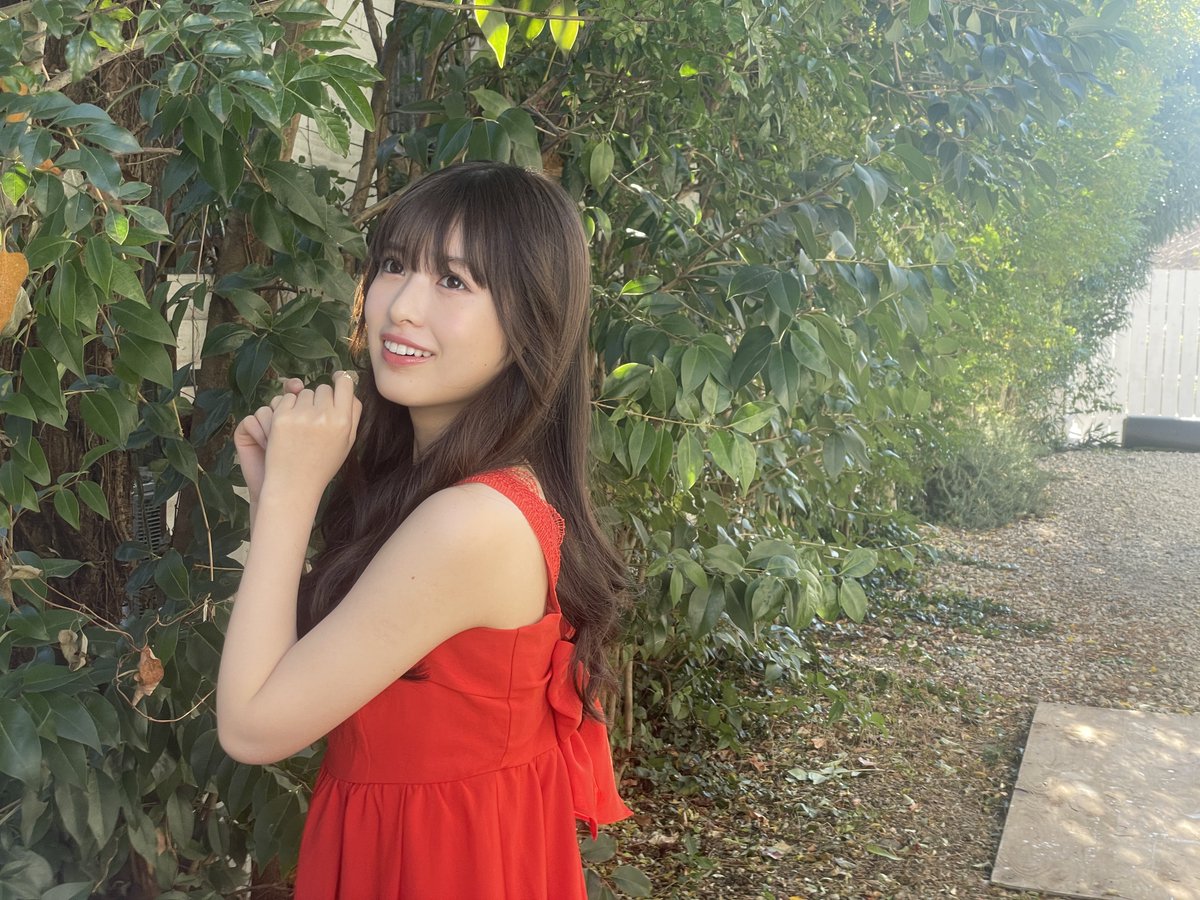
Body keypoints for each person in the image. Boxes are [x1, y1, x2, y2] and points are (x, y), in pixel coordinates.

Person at [217, 161, 632, 899]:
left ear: (531, 322)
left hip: (435, 864)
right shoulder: (452, 491)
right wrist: (275, 499)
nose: (402, 306)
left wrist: (289, 500)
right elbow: (311, 676)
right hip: (424, 847)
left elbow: (252, 728)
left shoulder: (470, 522)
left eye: (453, 281)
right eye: (393, 265)